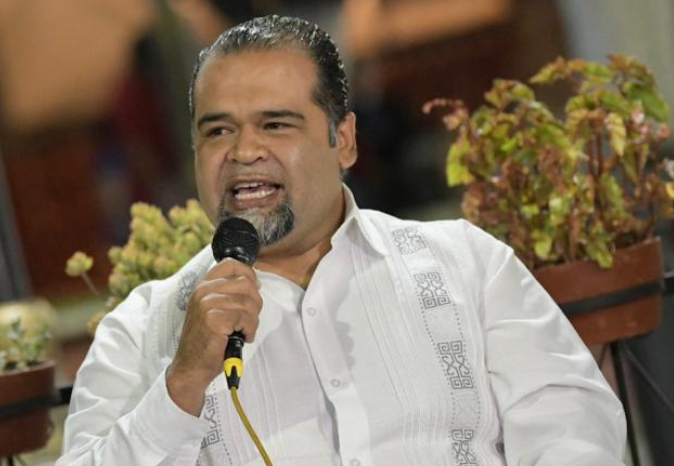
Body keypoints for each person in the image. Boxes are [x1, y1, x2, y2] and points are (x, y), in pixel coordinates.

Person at [57, 15, 626, 466]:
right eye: (218, 130)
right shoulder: (137, 334)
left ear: (344, 140)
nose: (243, 151)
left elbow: (573, 431)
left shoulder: (469, 265)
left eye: (275, 124)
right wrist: (180, 385)